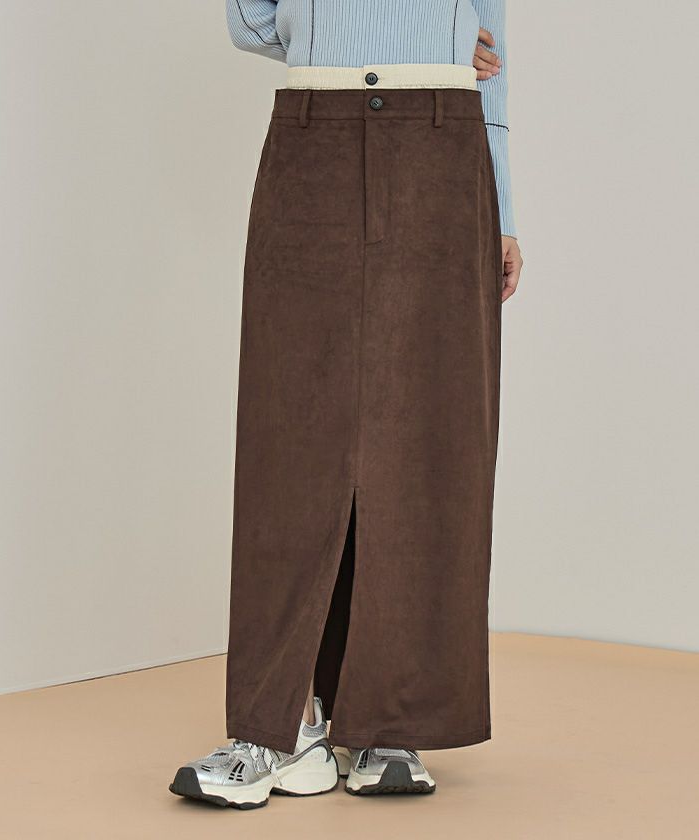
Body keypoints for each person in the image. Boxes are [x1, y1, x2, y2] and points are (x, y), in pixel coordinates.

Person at [170, 0, 523, 809]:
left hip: (446, 136)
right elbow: (248, 18)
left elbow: (496, 53)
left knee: (427, 437)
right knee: (290, 433)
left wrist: (505, 207)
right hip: (314, 128)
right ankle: (278, 725)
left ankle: (386, 720)